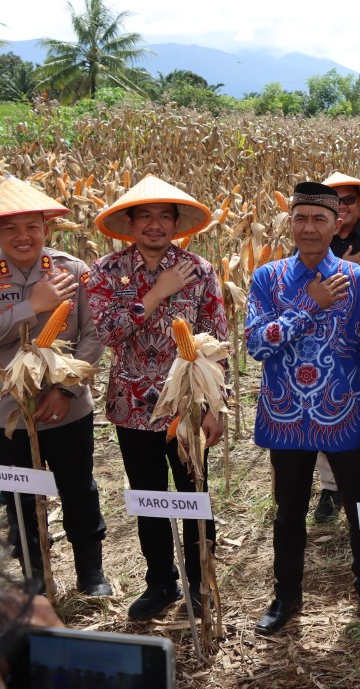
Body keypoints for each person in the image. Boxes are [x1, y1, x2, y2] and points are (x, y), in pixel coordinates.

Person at [246, 182, 360, 634]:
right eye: (301, 218)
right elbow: (255, 343)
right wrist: (310, 304)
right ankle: (285, 595)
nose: (309, 228)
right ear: (290, 222)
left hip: (344, 412)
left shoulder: (359, 280)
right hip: (286, 414)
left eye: (319, 219)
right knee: (288, 510)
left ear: (336, 225)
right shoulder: (267, 278)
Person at [88, 176, 227, 620]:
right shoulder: (106, 271)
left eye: (163, 216)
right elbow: (107, 333)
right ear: (130, 223)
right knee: (148, 498)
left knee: (194, 495)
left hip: (188, 405)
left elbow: (218, 340)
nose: (154, 224)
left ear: (175, 223)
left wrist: (215, 406)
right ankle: (160, 582)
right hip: (132, 405)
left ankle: (201, 581)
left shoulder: (200, 270)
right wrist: (155, 293)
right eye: (144, 216)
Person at [0, 177, 109, 598]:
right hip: (8, 414)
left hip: (67, 408)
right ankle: (35, 577)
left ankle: (92, 573)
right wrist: (34, 306)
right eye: (10, 228)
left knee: (79, 486)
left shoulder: (73, 269)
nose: (23, 237)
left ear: (47, 228)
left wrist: (63, 390)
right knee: (20, 498)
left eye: (32, 226)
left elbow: (93, 334)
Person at [310, 172, 360, 522]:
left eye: (349, 200)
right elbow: (299, 286)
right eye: (336, 200)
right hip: (322, 342)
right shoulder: (314, 242)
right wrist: (347, 270)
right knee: (326, 409)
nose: (344, 206)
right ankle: (330, 487)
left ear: (358, 205)